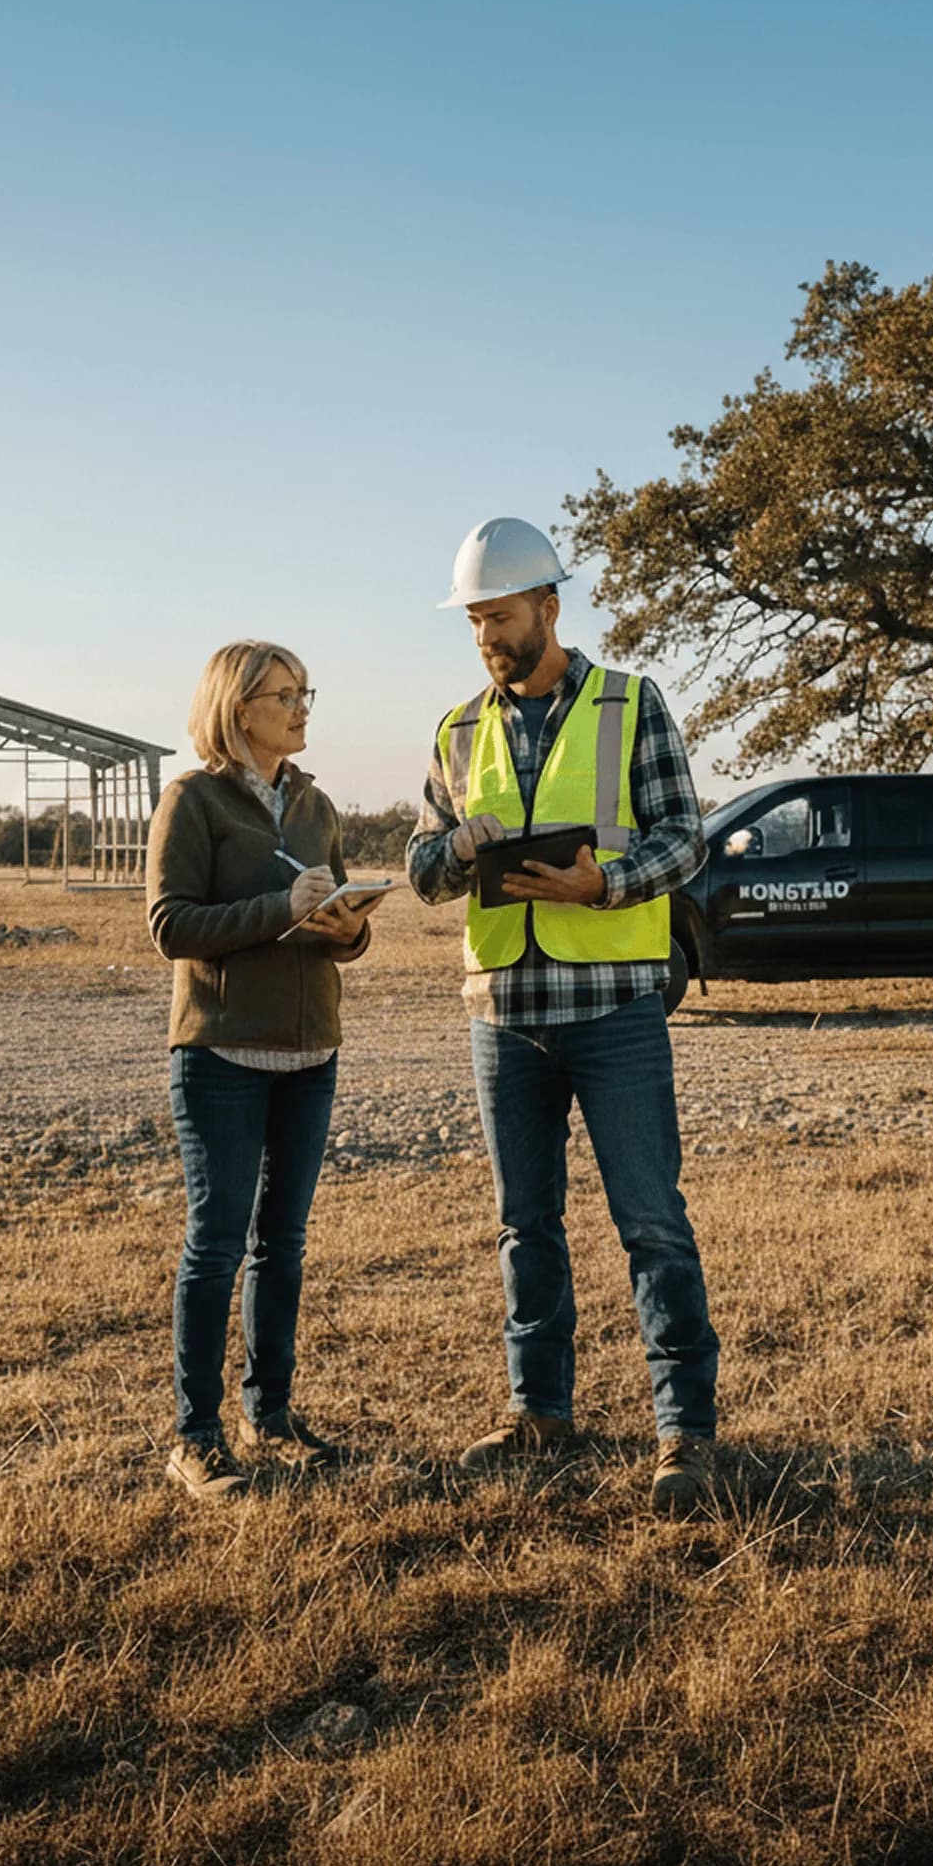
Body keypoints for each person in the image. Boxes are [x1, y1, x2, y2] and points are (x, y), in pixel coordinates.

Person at [407, 517, 721, 1514]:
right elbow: (419, 870)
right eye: (473, 621)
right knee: (522, 1226)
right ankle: (537, 1411)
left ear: (550, 603)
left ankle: (686, 1434)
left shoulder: (633, 703)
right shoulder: (457, 729)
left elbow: (687, 839)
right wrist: (456, 848)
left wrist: (607, 884)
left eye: (498, 615)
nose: (486, 636)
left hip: (615, 1006)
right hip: (502, 1014)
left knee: (652, 1225)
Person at [146, 639, 382, 1501]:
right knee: (215, 1247)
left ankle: (270, 1415)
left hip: (311, 1047)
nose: (302, 707)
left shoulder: (315, 805)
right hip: (220, 1053)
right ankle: (195, 1436)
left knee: (282, 1244)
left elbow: (344, 924)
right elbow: (170, 925)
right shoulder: (193, 800)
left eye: (305, 692)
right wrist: (275, 909)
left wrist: (349, 927)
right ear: (239, 707)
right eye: (286, 695)